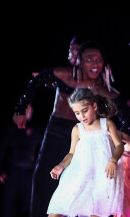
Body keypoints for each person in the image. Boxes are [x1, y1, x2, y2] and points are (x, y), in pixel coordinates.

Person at [13, 40, 130, 217]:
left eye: (99, 59)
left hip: (88, 141)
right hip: (57, 132)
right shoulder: (65, 75)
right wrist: (20, 109)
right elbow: (37, 81)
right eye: (89, 59)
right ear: (79, 61)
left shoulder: (103, 89)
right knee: (44, 180)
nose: (95, 63)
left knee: (84, 187)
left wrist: (121, 142)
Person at [47, 87, 124, 217]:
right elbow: (71, 153)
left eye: (84, 111)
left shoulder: (107, 124)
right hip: (79, 174)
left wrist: (113, 160)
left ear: (94, 106)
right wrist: (61, 165)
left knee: (95, 211)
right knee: (58, 208)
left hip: (101, 176)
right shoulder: (78, 129)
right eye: (77, 113)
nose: (81, 116)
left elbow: (119, 145)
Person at [0, 105, 43, 217]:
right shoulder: (11, 130)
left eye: (29, 110)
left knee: (26, 204)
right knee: (9, 203)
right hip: (13, 169)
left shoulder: (35, 130)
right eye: (25, 110)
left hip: (28, 171)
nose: (27, 113)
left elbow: (42, 150)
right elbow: (1, 150)